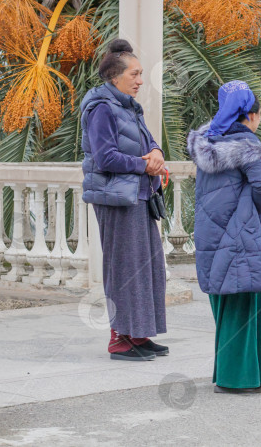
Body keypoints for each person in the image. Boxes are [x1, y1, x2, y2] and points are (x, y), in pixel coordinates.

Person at [81, 39, 168, 361]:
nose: (140, 80)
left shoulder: (129, 107)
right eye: (135, 74)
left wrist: (156, 152)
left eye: (141, 74)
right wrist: (143, 164)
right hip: (116, 199)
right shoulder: (101, 108)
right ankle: (120, 339)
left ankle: (139, 334)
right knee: (123, 269)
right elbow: (105, 158)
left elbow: (147, 140)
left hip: (139, 196)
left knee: (146, 268)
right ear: (115, 77)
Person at [188, 81, 261, 394]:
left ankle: (240, 373)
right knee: (244, 298)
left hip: (212, 231)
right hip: (240, 231)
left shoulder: (207, 141)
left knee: (227, 300)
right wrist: (253, 208)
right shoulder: (247, 145)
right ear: (250, 114)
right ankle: (238, 378)